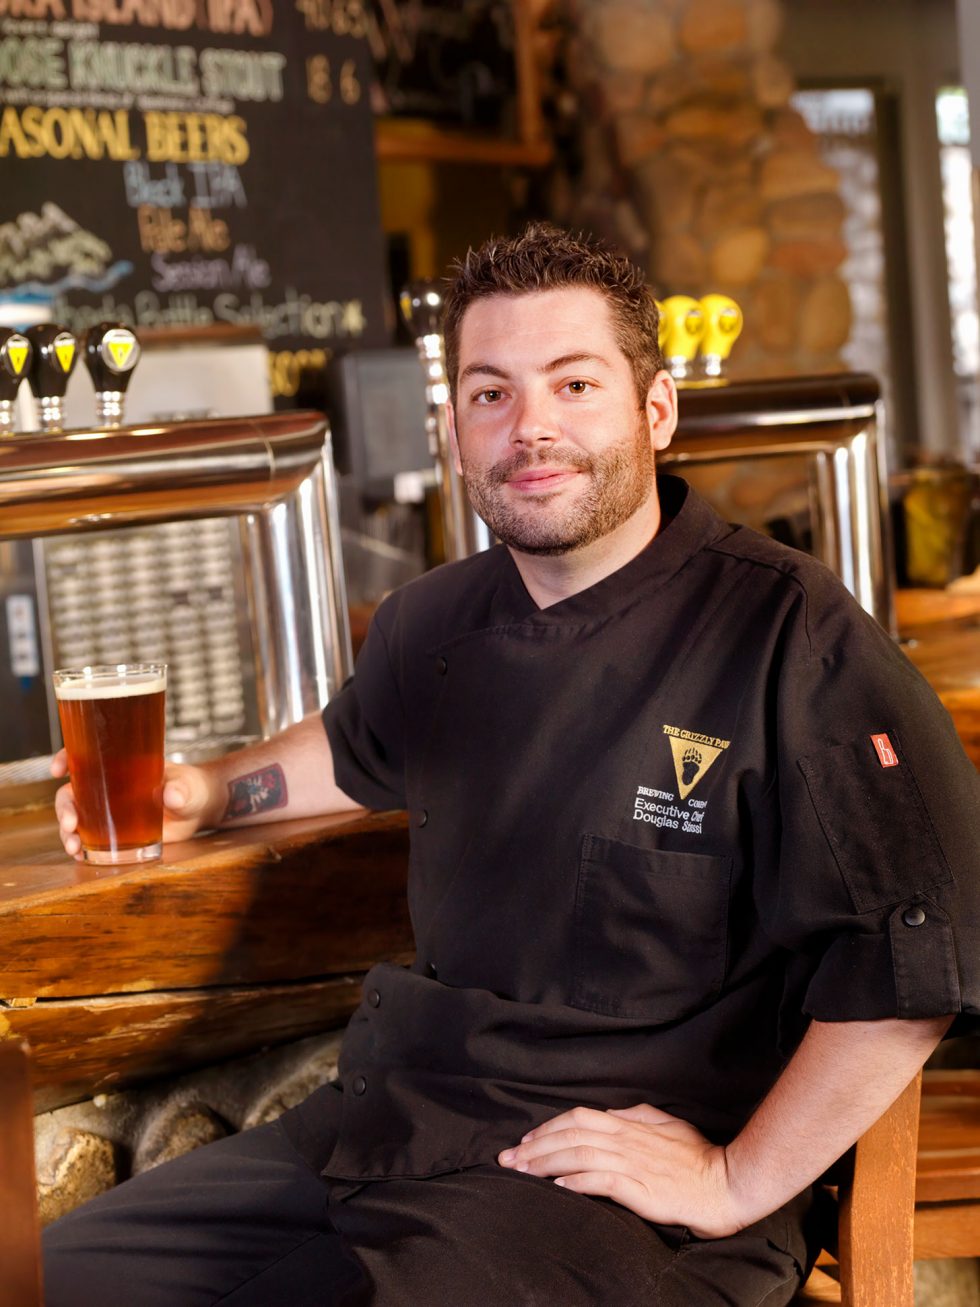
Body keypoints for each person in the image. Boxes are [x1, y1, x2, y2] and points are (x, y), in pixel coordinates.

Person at [44, 224, 980, 1306]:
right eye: (489, 393)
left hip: (619, 1191)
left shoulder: (789, 634)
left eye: (572, 382)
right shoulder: (429, 622)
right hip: (397, 1119)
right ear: (452, 432)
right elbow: (353, 747)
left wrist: (733, 1178)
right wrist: (207, 791)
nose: (529, 426)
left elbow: (918, 960)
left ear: (655, 409)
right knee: (51, 1274)